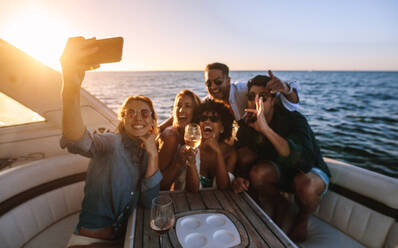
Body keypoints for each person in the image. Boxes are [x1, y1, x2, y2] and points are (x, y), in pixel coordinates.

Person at [60, 37, 162, 247]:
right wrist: (70, 88)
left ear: (152, 121)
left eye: (145, 113)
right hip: (88, 241)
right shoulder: (111, 142)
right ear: (123, 120)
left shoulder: (147, 153)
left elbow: (149, 202)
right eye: (130, 113)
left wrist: (153, 155)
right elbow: (78, 140)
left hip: (124, 238)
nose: (138, 118)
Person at [232, 74, 331, 243]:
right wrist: (238, 179)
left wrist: (266, 130)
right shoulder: (248, 124)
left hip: (309, 170)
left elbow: (304, 161)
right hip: (282, 171)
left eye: (263, 97)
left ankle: (303, 217)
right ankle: (280, 203)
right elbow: (241, 156)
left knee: (305, 185)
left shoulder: (294, 120)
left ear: (273, 101)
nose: (257, 102)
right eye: (251, 97)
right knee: (257, 172)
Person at [204, 62, 300, 120]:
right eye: (208, 83)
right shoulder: (209, 102)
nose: (213, 87)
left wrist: (287, 90)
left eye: (218, 81)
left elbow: (291, 104)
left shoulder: (245, 91)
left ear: (228, 80)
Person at [180, 99, 237, 192]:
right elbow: (192, 190)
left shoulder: (230, 153)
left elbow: (223, 187)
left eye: (214, 119)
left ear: (222, 127)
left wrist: (218, 152)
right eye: (203, 118)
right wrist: (192, 163)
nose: (207, 122)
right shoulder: (191, 148)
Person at [158, 89, 201, 190]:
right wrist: (178, 163)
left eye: (187, 106)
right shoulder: (170, 136)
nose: (181, 110)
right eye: (178, 106)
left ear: (195, 111)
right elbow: (158, 185)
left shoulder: (193, 136)